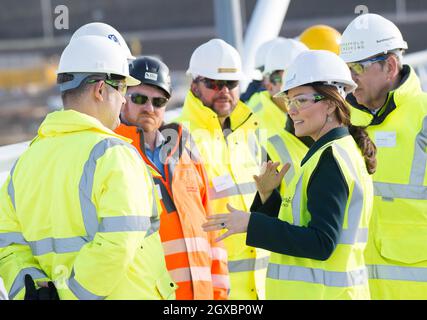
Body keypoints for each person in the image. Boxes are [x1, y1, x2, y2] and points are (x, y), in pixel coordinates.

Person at [0, 34, 176, 300]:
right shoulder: (115, 156)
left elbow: (8, 245)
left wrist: (32, 291)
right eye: (122, 90)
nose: (123, 101)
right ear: (100, 90)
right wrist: (69, 295)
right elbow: (118, 244)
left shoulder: (24, 164)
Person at [203, 50, 377, 300]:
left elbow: (321, 242)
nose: (291, 111)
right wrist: (267, 195)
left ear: (330, 103)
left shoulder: (330, 159)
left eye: (300, 101)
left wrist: (251, 223)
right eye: (289, 102)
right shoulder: (334, 152)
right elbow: (299, 229)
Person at [115, 56, 229, 300]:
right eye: (139, 99)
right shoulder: (112, 153)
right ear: (122, 98)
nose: (149, 107)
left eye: (158, 101)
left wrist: (219, 295)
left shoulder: (185, 149)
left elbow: (212, 227)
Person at [340, 13, 427, 299]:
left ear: (389, 66)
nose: (350, 79)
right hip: (358, 290)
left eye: (357, 68)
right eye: (346, 68)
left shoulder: (423, 117)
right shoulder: (340, 121)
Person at [176, 38, 269, 300]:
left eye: (230, 84)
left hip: (262, 287)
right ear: (194, 85)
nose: (224, 91)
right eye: (214, 84)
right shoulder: (179, 137)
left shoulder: (252, 133)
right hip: (216, 288)